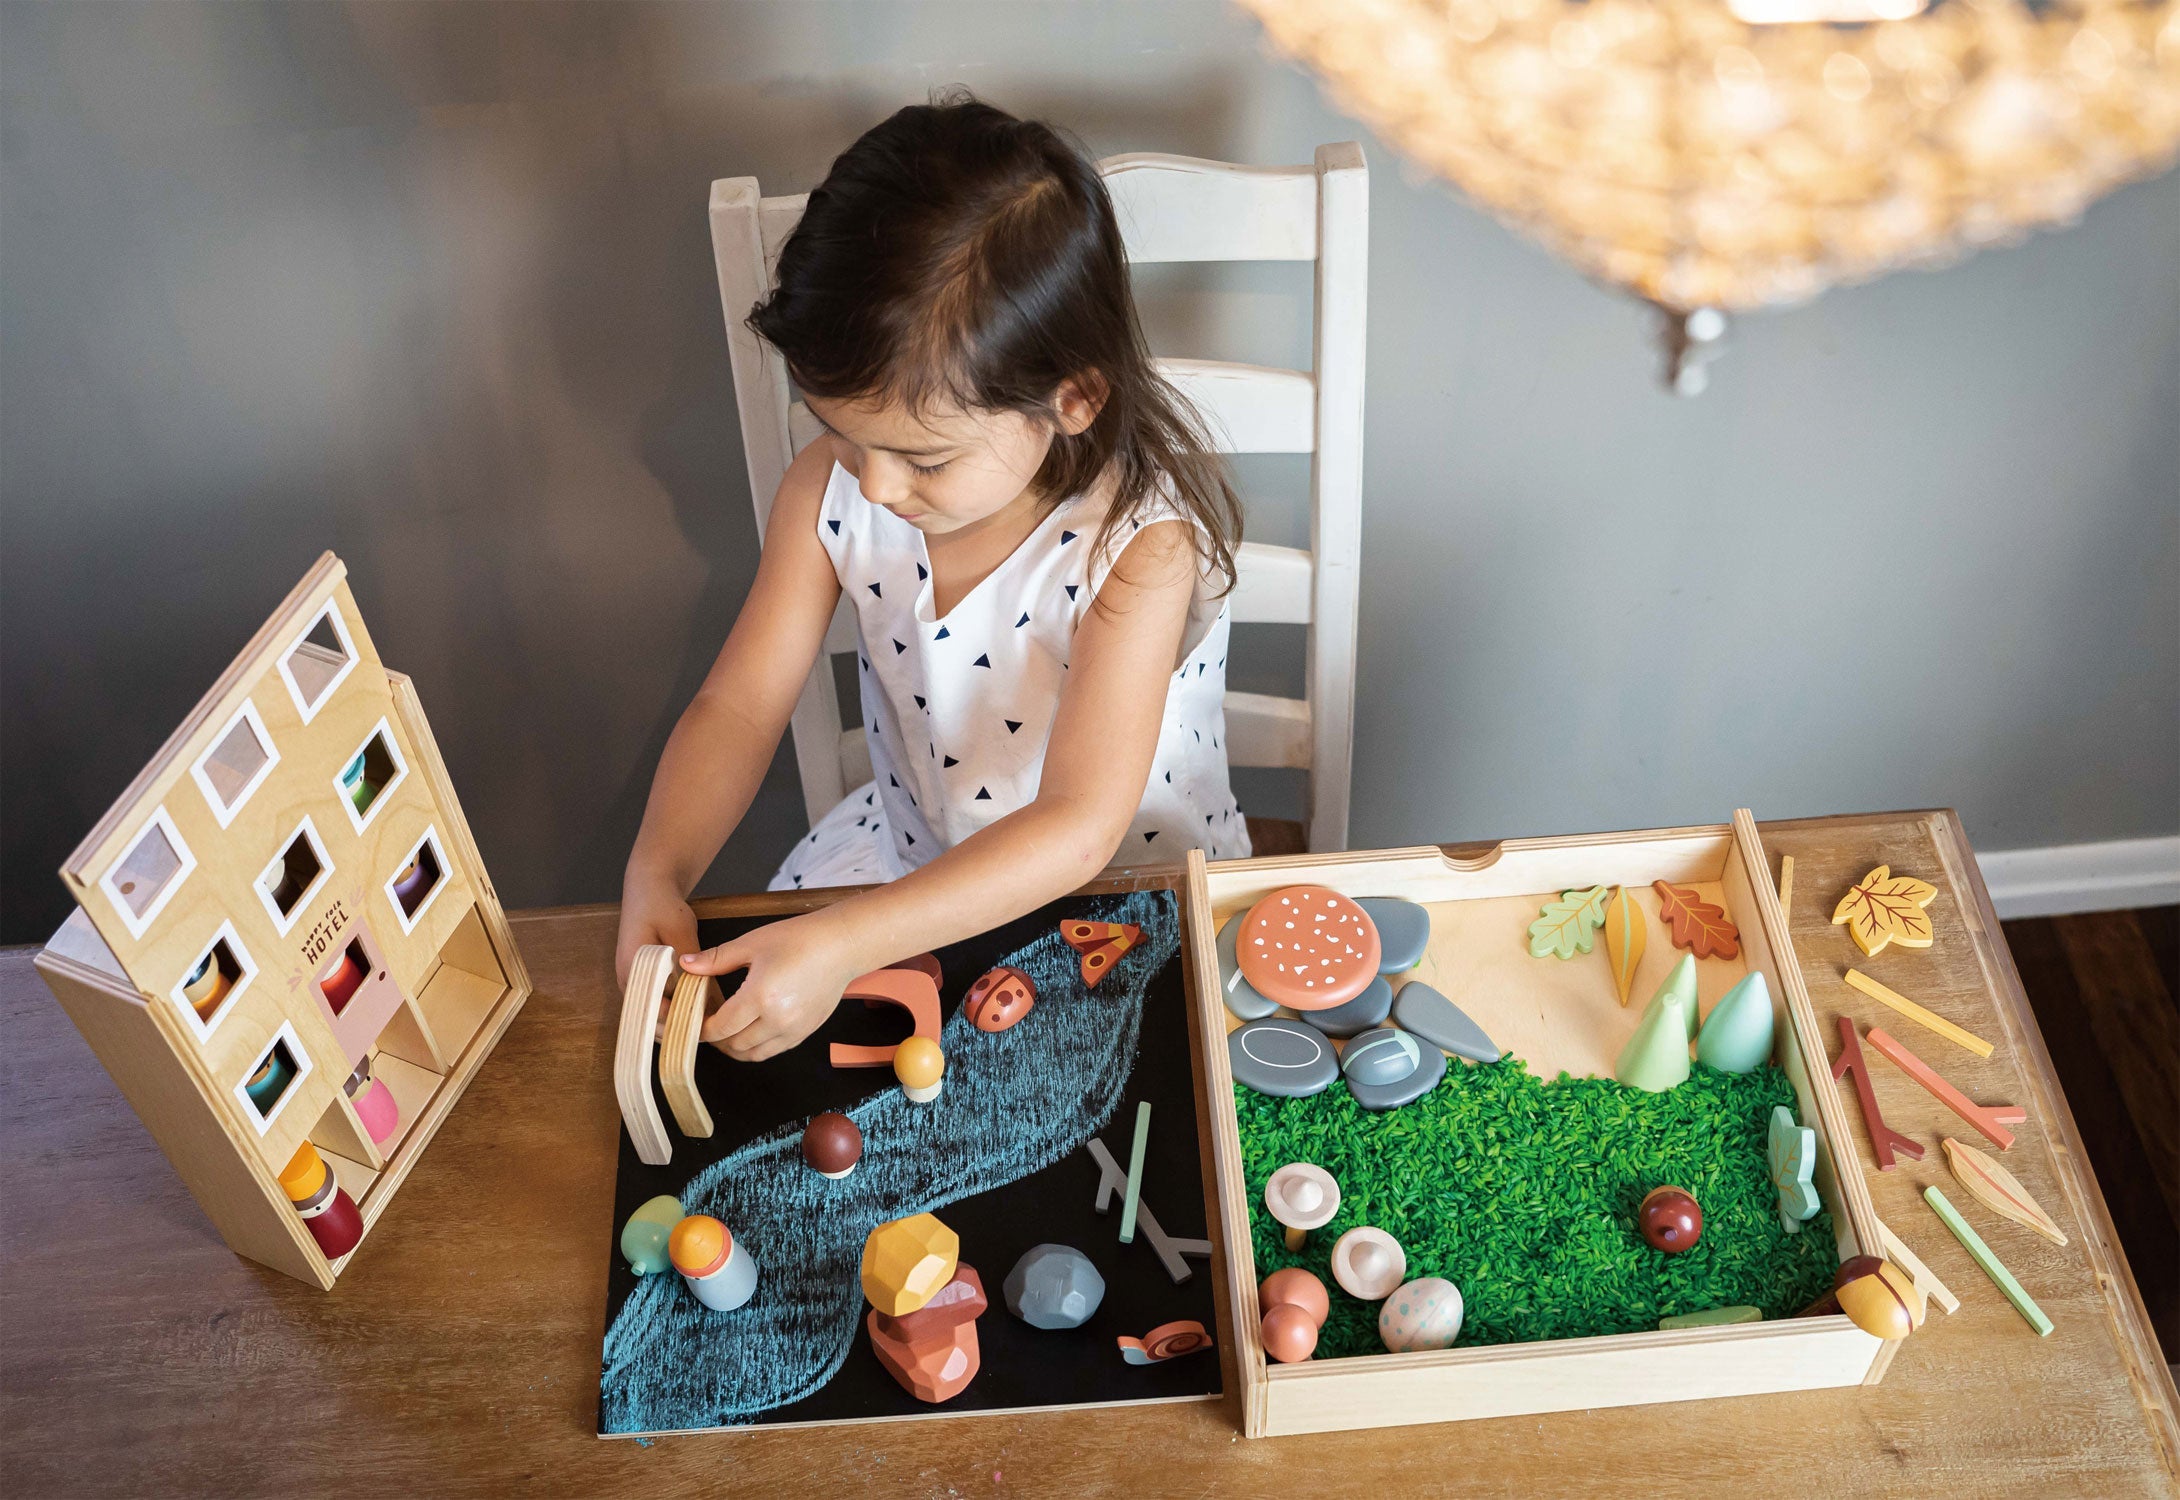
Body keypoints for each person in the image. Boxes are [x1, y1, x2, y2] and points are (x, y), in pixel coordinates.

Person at [616, 92, 1248, 1059]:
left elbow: (1079, 827)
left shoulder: (1139, 549)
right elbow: (740, 707)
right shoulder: (832, 489)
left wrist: (843, 940)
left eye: (926, 457)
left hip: (1123, 904)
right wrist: (657, 871)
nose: (875, 483)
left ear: (1072, 396)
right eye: (841, 432)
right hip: (913, 877)